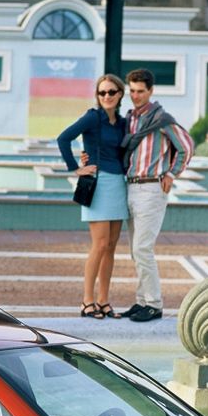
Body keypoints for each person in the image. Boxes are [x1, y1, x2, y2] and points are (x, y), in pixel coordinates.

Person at [118, 68, 195, 322]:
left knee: (142, 248)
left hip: (151, 188)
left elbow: (186, 146)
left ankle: (154, 304)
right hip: (130, 186)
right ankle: (142, 301)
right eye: (132, 91)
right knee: (135, 249)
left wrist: (172, 174)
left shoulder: (162, 118)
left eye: (140, 91)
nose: (135, 96)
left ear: (150, 91)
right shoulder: (130, 118)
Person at [57, 73, 129, 319]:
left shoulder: (121, 123)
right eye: (102, 92)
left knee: (111, 247)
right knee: (98, 245)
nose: (106, 96)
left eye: (111, 92)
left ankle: (104, 301)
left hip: (119, 184)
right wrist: (75, 167)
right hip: (98, 185)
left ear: (120, 94)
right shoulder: (93, 117)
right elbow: (63, 138)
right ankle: (87, 301)